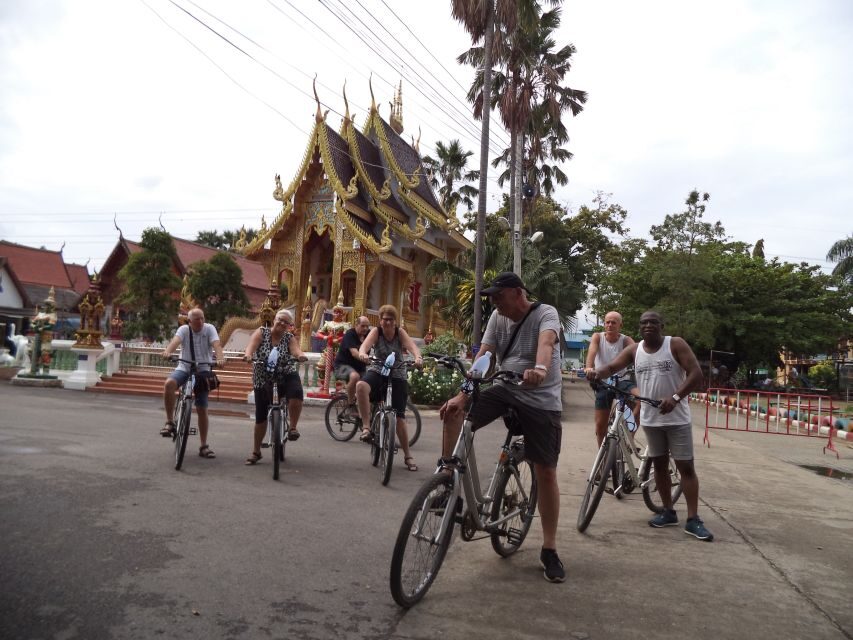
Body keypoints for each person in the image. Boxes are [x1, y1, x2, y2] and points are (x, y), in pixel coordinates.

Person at [439, 272, 565, 583]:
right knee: (454, 413)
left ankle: (549, 548)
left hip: (541, 398)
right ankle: (446, 482)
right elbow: (484, 356)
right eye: (492, 297)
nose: (494, 301)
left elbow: (546, 344)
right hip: (505, 386)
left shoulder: (545, 313)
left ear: (518, 293)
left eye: (499, 295)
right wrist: (462, 394)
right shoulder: (498, 316)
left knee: (545, 470)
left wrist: (539, 368)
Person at [587, 310, 713, 541]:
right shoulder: (635, 350)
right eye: (644, 323)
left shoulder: (674, 344)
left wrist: (675, 398)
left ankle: (694, 519)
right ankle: (668, 511)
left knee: (686, 467)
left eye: (653, 322)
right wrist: (597, 372)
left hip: (677, 419)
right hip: (651, 420)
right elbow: (612, 367)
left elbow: (696, 375)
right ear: (639, 327)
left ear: (661, 325)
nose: (648, 326)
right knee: (661, 465)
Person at [356, 304, 422, 472]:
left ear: (395, 321)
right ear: (380, 320)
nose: (387, 323)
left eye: (390, 320)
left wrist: (418, 357)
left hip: (398, 372)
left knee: (399, 417)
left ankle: (408, 455)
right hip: (379, 369)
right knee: (361, 386)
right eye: (384, 320)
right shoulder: (376, 332)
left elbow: (412, 346)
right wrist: (363, 353)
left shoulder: (400, 332)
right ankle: (366, 427)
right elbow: (365, 346)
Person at [243, 309, 308, 465]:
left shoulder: (289, 337)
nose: (282, 323)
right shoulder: (262, 332)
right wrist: (248, 355)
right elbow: (251, 346)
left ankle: (292, 428)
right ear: (274, 320)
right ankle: (256, 451)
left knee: (297, 393)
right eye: (280, 319)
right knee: (261, 416)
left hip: (285, 374)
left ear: (289, 326)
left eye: (286, 322)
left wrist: (300, 355)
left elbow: (295, 350)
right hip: (263, 377)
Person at [161, 307, 225, 459]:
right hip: (184, 367)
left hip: (203, 370)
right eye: (197, 319)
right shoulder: (184, 330)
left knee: (202, 407)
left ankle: (203, 446)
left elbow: (216, 345)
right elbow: (175, 342)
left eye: (202, 318)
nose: (201, 321)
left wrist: (220, 358)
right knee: (169, 384)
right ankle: (169, 422)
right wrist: (168, 351)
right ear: (189, 321)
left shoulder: (209, 329)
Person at [584, 311, 639, 447]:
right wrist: (589, 368)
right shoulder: (598, 337)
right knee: (600, 425)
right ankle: (602, 455)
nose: (610, 325)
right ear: (604, 324)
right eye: (607, 322)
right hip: (603, 382)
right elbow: (592, 351)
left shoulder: (626, 340)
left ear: (620, 325)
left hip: (623, 381)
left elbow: (639, 353)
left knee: (641, 399)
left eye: (614, 322)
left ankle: (629, 437)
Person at [334, 315, 371, 408]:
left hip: (360, 368)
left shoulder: (369, 335)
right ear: (356, 325)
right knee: (355, 376)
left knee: (370, 384)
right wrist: (367, 360)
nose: (365, 328)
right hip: (342, 366)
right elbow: (354, 353)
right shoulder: (350, 334)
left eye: (367, 326)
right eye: (363, 326)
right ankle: (350, 404)